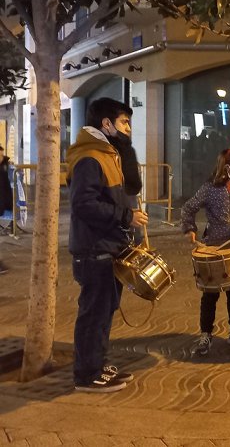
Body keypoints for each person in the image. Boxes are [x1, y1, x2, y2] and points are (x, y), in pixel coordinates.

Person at [67, 97, 148, 392]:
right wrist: (126, 216)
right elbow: (84, 204)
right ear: (106, 124)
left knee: (104, 310)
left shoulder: (108, 153)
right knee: (94, 313)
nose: (128, 128)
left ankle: (96, 365)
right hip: (94, 248)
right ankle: (86, 375)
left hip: (108, 247)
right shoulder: (90, 157)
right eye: (124, 122)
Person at [182, 143, 230, 356]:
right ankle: (205, 335)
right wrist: (190, 229)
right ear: (228, 167)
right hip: (212, 250)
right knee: (210, 296)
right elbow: (188, 208)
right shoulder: (210, 188)